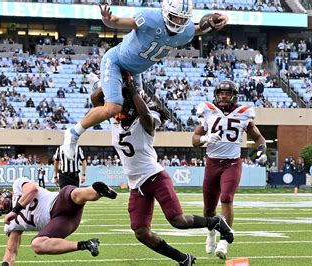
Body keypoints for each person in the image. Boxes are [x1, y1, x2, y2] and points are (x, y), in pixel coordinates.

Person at [93, 72, 233, 266]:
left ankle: (215, 222)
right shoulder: (115, 119)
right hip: (137, 184)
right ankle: (183, 259)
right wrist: (111, 83)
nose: (119, 109)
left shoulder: (146, 121)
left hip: (155, 176)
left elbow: (145, 117)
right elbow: (95, 100)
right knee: (141, 232)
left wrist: (132, 88)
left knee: (178, 221)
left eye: (124, 104)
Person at [61, 0, 229, 160]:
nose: (178, 22)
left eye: (182, 18)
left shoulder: (185, 32)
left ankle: (100, 86)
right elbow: (119, 21)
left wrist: (218, 20)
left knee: (130, 112)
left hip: (135, 71)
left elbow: (198, 28)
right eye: (175, 16)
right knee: (113, 107)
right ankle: (73, 133)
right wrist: (108, 20)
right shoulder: (151, 18)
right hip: (116, 62)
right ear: (165, 12)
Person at [191, 80, 266, 260]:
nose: (223, 96)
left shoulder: (243, 113)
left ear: (233, 95)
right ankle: (210, 234)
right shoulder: (208, 111)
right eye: (220, 93)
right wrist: (206, 139)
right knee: (209, 208)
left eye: (226, 93)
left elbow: (258, 137)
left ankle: (224, 240)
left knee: (226, 198)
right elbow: (194, 139)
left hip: (232, 163)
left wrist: (262, 152)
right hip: (212, 163)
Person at [0, 177, 118, 265]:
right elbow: (11, 252)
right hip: (61, 222)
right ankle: (87, 244)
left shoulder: (18, 186)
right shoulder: (11, 223)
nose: (0, 204)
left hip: (58, 202)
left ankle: (97, 191)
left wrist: (15, 210)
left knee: (75, 194)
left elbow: (33, 189)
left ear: (4, 193)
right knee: (37, 245)